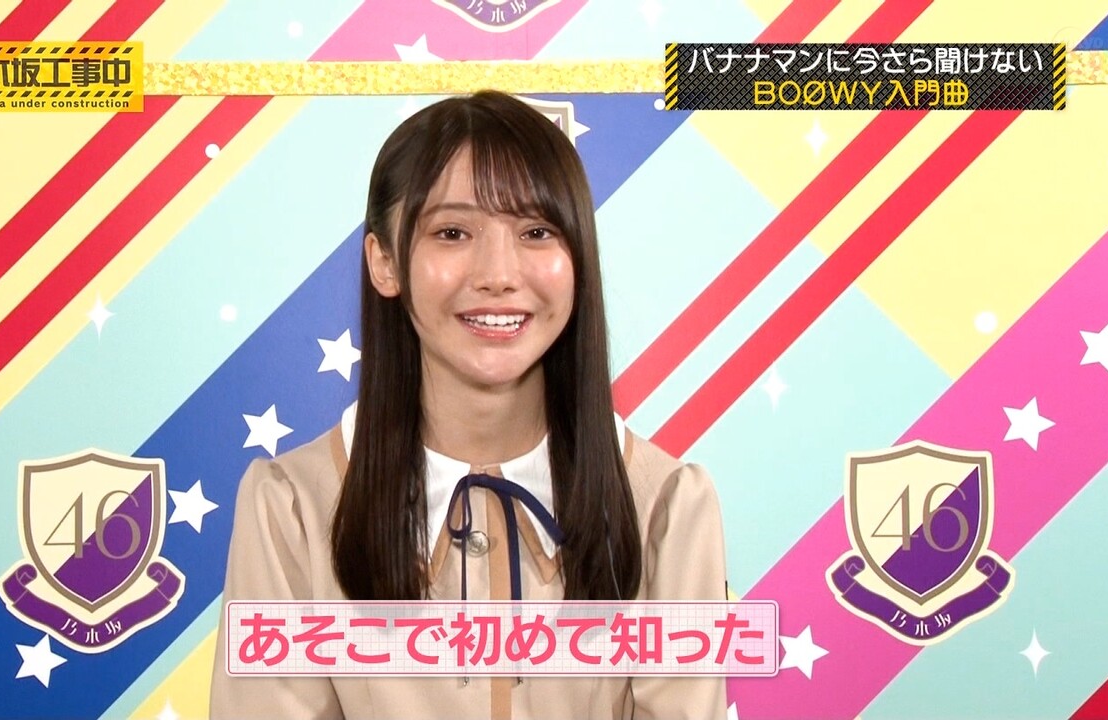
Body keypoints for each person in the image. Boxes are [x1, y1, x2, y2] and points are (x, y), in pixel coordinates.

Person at [210, 90, 728, 719]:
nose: (498, 274)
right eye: (452, 233)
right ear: (384, 261)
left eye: (536, 232)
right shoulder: (292, 507)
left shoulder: (665, 506)